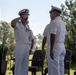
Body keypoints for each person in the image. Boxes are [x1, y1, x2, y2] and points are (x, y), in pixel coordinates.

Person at [11, 9, 34, 75]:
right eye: (25, 15)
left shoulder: (28, 27)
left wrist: (30, 49)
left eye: (27, 15)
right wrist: (20, 17)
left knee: (25, 65)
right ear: (21, 16)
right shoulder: (18, 25)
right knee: (18, 64)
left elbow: (32, 39)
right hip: (20, 46)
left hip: (27, 47)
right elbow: (12, 23)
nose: (26, 17)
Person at [49, 6, 67, 75]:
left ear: (55, 13)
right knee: (61, 67)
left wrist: (51, 50)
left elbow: (53, 35)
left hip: (56, 45)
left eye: (51, 13)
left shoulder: (54, 22)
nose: (50, 15)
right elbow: (65, 35)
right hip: (62, 45)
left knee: (55, 67)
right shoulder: (63, 23)